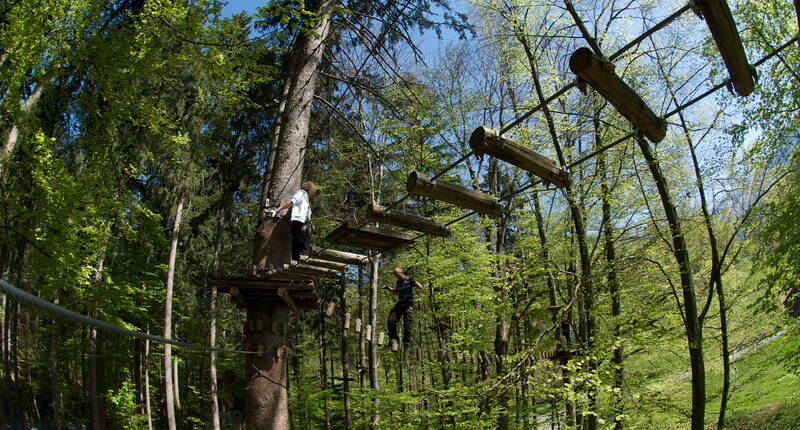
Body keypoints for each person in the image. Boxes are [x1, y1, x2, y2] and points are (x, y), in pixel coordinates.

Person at [268, 181, 317, 261]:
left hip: (303, 221)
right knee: (302, 241)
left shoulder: (306, 198)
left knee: (298, 240)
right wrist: (277, 210)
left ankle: (296, 260)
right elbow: (291, 202)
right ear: (309, 188)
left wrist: (311, 224)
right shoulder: (301, 193)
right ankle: (302, 260)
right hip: (300, 221)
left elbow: (307, 212)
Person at [384, 267, 423, 348]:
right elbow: (397, 292)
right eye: (394, 274)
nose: (395, 276)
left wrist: (414, 281)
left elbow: (420, 287)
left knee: (407, 323)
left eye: (396, 274)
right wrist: (389, 288)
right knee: (391, 320)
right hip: (400, 303)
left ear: (401, 273)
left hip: (409, 303)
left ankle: (406, 341)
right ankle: (394, 339)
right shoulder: (398, 282)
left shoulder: (409, 279)